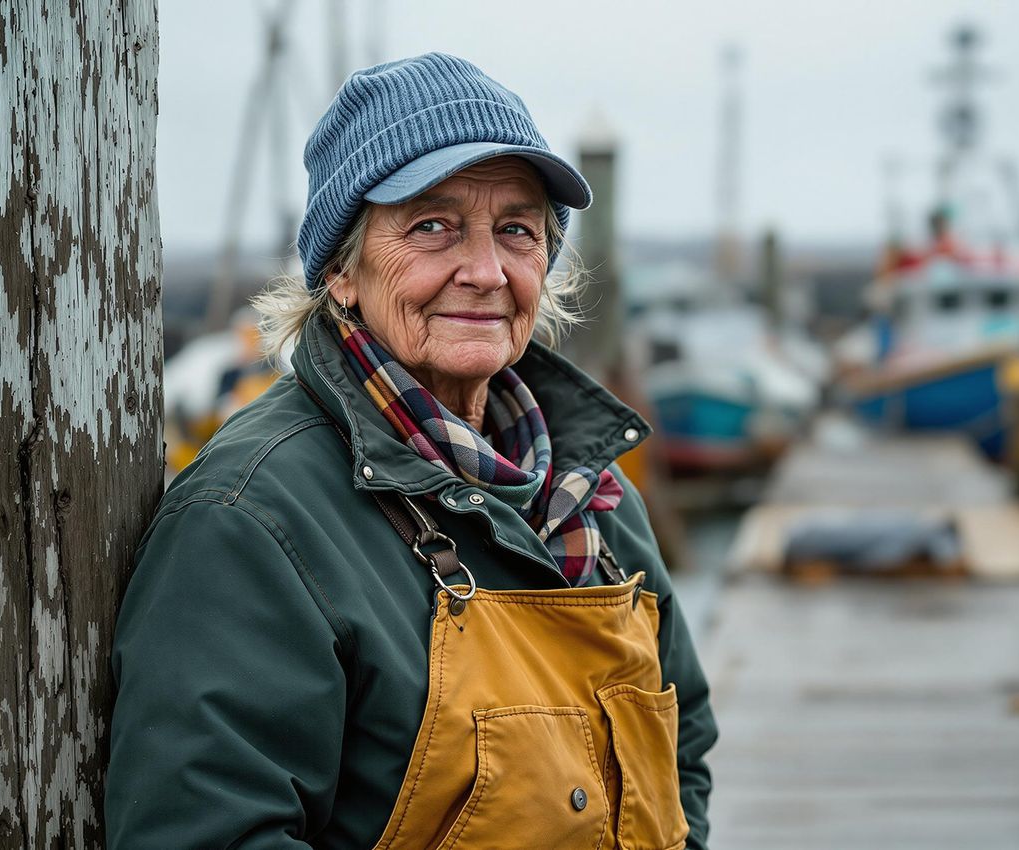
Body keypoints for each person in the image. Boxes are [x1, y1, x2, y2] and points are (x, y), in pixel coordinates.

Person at [106, 53, 716, 849]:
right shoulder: (250, 521)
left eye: (517, 231)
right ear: (341, 271)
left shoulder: (594, 494)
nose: (486, 270)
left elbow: (684, 752)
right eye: (433, 225)